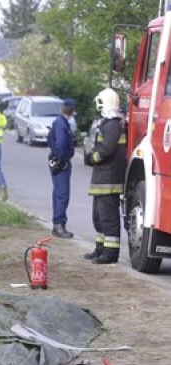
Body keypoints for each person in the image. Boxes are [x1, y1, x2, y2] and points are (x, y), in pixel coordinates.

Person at [84, 88, 127, 264]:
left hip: (108, 181)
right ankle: (100, 249)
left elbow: (107, 150)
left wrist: (92, 157)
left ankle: (110, 254)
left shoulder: (112, 125)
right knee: (99, 217)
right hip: (102, 179)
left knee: (108, 217)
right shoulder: (108, 124)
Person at [47, 98, 76, 238]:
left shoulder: (60, 123)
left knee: (59, 194)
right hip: (61, 163)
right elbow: (60, 145)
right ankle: (59, 225)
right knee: (62, 195)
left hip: (59, 162)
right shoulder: (61, 125)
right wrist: (62, 161)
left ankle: (58, 224)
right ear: (72, 111)